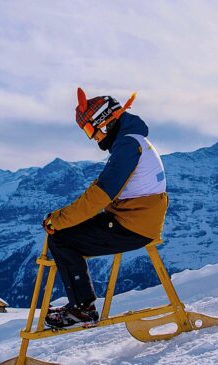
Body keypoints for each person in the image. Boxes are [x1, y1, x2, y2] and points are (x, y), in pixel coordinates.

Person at [41, 87, 168, 328]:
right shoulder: (132, 141)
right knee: (67, 231)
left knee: (60, 237)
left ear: (104, 121)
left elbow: (100, 196)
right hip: (134, 218)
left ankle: (82, 309)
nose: (92, 137)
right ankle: (81, 305)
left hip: (132, 226)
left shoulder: (128, 147)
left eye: (90, 129)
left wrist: (58, 220)